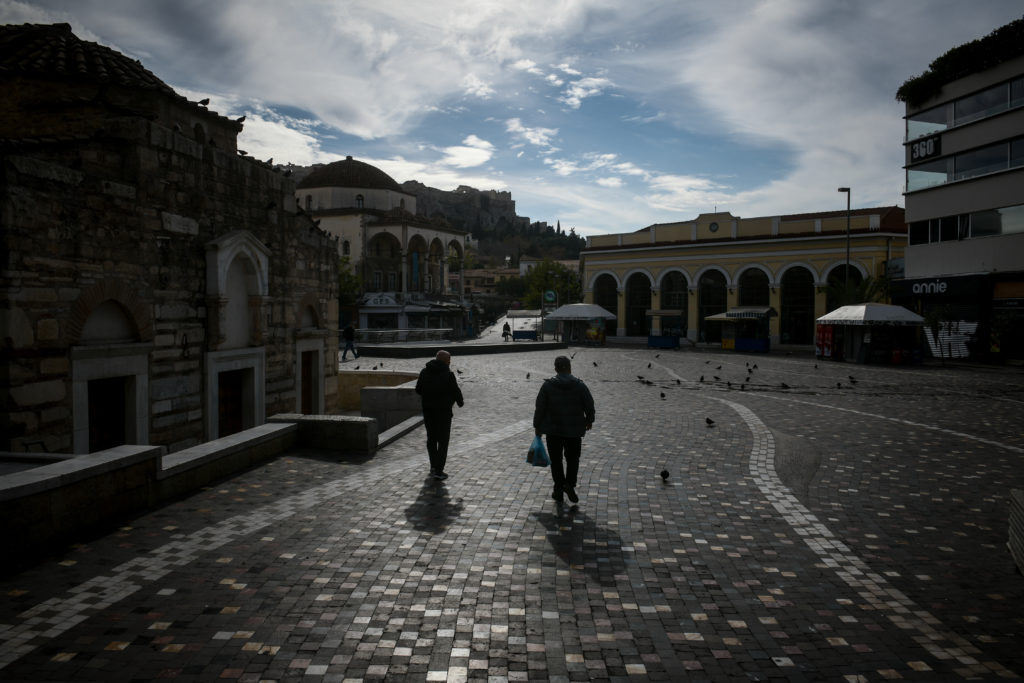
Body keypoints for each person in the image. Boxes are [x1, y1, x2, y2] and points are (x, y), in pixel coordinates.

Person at [533, 355, 595, 504]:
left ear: (555, 368)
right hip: (574, 431)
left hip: (553, 431)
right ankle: (569, 484)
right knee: (573, 459)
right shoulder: (580, 386)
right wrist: (589, 420)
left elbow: (540, 407)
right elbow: (589, 404)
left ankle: (558, 489)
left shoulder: (547, 386)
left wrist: (537, 426)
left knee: (556, 460)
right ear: (570, 368)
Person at [415, 350, 464, 480]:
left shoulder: (424, 372)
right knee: (443, 441)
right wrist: (460, 402)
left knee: (431, 439)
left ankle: (433, 466)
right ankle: (439, 470)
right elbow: (455, 391)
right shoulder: (448, 374)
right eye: (449, 361)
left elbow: (418, 389)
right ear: (444, 361)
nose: (450, 363)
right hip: (443, 412)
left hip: (428, 411)